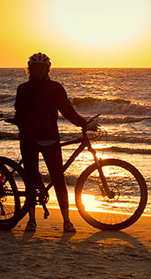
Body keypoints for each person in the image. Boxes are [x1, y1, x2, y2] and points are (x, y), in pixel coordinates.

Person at [14, 52, 96, 233]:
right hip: (29, 138)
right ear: (30, 69)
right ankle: (31, 221)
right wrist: (23, 125)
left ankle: (67, 221)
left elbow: (67, 110)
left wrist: (84, 124)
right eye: (35, 67)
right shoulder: (23, 89)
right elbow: (19, 113)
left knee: (58, 179)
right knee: (30, 180)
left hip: (50, 137)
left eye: (42, 67)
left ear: (47, 69)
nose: (38, 70)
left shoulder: (56, 88)